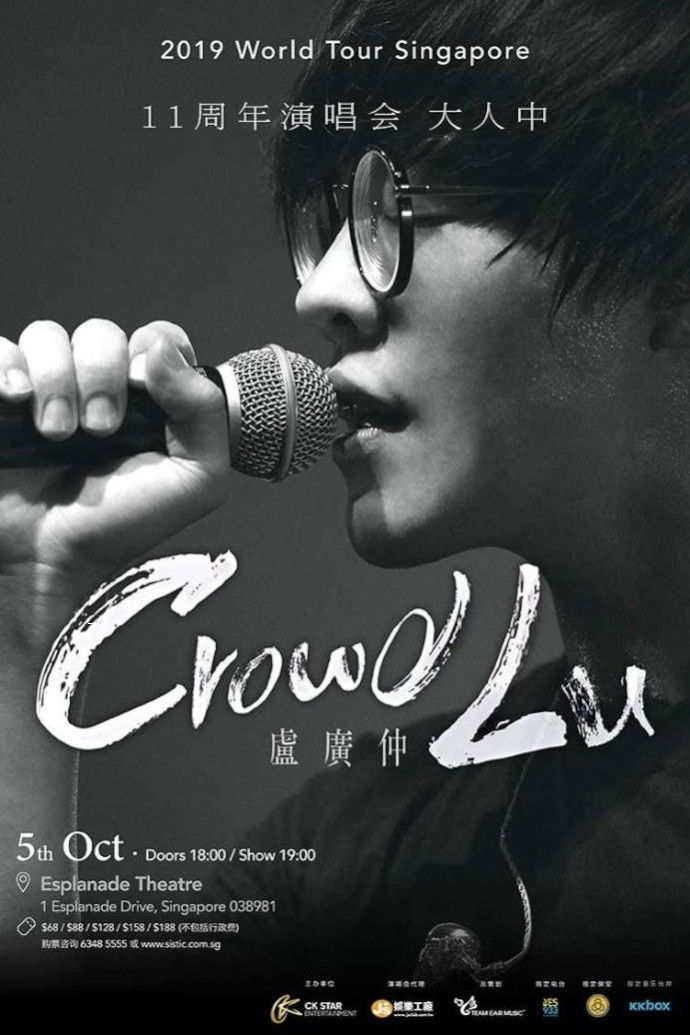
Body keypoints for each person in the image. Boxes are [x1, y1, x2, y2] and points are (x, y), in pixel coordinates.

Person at [1, 0, 689, 1000]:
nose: (319, 295)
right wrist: (26, 612)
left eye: (388, 211)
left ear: (670, 283)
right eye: (323, 230)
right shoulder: (355, 851)